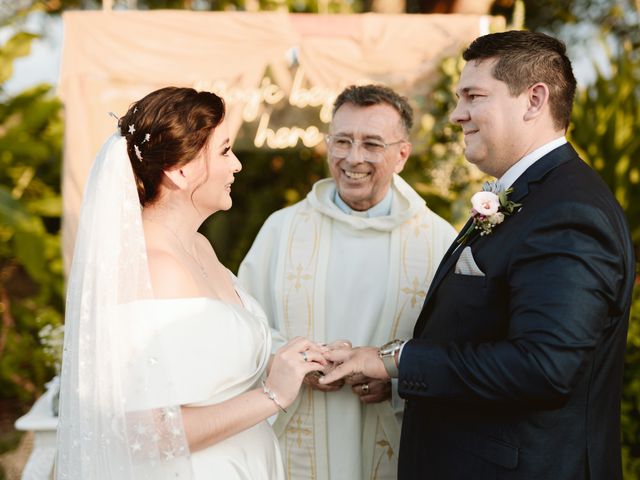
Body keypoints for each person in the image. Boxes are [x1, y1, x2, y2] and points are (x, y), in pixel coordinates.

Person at [320, 30, 635, 479]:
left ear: (533, 99)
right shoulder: (534, 195)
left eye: (473, 96)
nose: (456, 114)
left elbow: (543, 368)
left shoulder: (568, 211)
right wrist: (395, 374)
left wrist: (399, 360)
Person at [55, 87, 327, 480]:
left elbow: (210, 364)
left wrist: (296, 360)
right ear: (180, 172)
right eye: (224, 152)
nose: (236, 165)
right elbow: (146, 431)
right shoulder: (153, 268)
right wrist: (273, 395)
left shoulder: (198, 246)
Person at [238, 84, 457, 479]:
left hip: (393, 431)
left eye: (372, 144)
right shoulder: (283, 229)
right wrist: (289, 362)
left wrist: (396, 379)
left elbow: (454, 348)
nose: (353, 158)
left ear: (402, 154)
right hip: (298, 432)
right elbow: (243, 326)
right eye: (342, 141)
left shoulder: (437, 241)